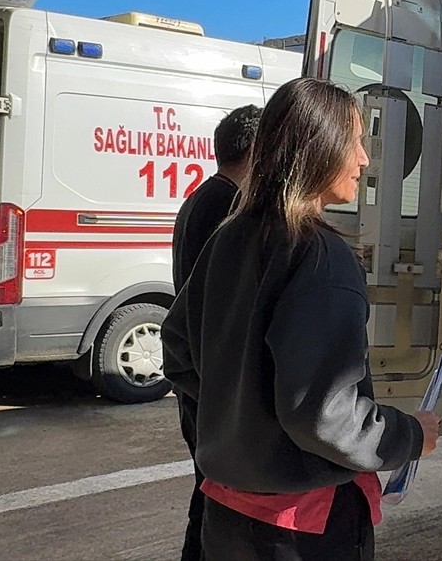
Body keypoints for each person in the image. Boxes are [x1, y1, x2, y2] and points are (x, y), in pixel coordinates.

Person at [162, 78, 439, 561]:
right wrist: (412, 435)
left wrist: (239, 420)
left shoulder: (229, 238)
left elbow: (178, 350)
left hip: (227, 514)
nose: (364, 159)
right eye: (356, 140)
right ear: (321, 147)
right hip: (301, 528)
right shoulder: (319, 254)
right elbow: (324, 413)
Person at [167, 103, 261, 561]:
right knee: (215, 496)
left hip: (200, 382)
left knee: (208, 488)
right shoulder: (229, 206)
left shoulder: (201, 196)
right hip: (213, 383)